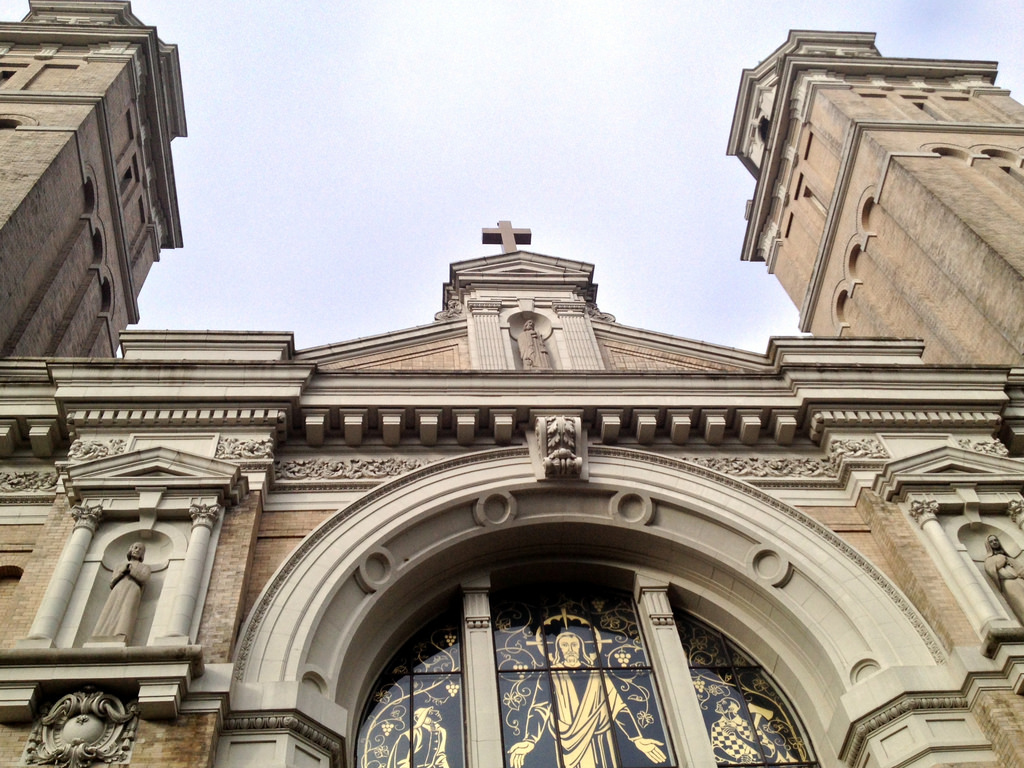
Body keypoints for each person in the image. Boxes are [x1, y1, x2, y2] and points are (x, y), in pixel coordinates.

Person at [507, 630, 666, 768]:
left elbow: (617, 707)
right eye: (564, 645)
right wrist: (530, 740)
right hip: (568, 743)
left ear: (581, 647)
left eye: (574, 645)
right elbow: (539, 709)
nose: (570, 649)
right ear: (558, 649)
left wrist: (637, 738)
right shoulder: (551, 674)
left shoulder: (597, 673)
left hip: (601, 740)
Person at [91, 542, 150, 643]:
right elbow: (112, 582)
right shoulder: (120, 565)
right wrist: (122, 571)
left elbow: (144, 579)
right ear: (130, 549)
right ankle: (104, 633)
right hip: (118, 588)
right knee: (111, 609)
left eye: (140, 550)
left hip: (133, 588)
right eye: (135, 547)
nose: (137, 550)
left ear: (142, 554)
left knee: (127, 610)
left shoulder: (145, 567)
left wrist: (131, 571)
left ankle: (122, 633)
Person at [984, 534, 1024, 623]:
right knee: (1021, 601)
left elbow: (1020, 568)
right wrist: (1002, 560)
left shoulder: (1008, 557)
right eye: (991, 541)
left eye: (995, 540)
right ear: (988, 545)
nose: (994, 542)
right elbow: (991, 570)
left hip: (1020, 580)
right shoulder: (990, 559)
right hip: (1010, 582)